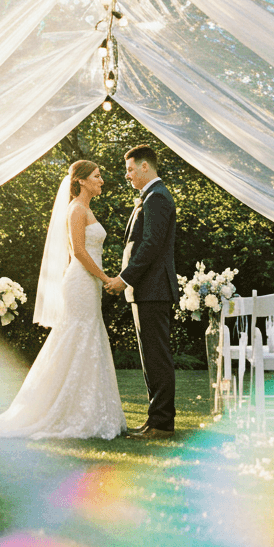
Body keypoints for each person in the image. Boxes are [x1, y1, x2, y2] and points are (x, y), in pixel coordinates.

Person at [0, 160, 126, 440]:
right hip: (81, 281)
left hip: (89, 283)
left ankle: (88, 408)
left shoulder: (86, 209)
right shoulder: (76, 209)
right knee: (77, 335)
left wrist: (100, 281)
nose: (102, 180)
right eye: (97, 175)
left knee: (87, 337)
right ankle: (57, 408)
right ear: (81, 180)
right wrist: (105, 278)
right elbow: (79, 251)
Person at [104, 145, 177, 438]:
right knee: (150, 358)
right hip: (147, 290)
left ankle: (162, 423)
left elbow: (150, 245)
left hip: (153, 288)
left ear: (145, 166)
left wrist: (124, 278)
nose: (127, 175)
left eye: (130, 169)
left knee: (157, 357)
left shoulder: (157, 197)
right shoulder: (151, 196)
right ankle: (154, 419)